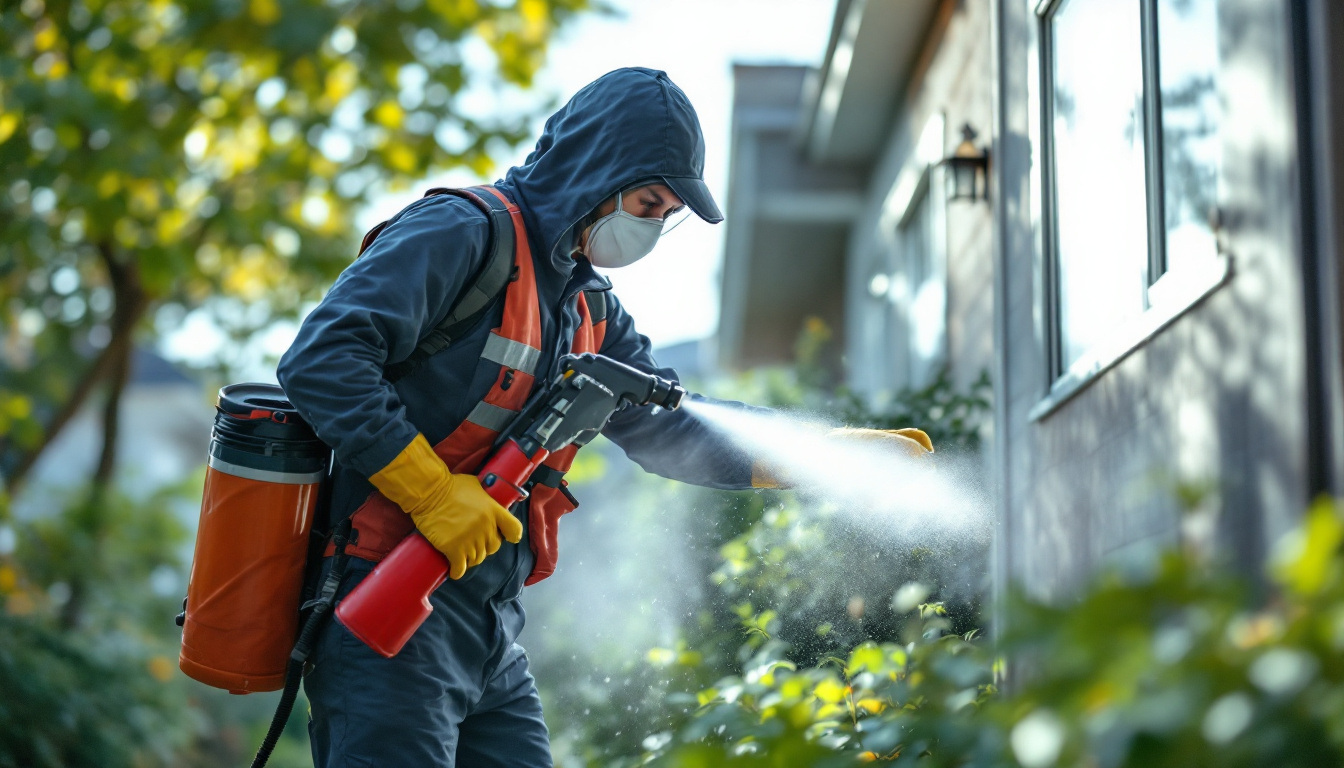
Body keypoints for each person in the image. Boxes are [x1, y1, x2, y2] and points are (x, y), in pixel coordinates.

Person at [277, 67, 930, 768]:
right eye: (648, 202)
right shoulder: (460, 234)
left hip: (487, 623)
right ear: (597, 172)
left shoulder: (589, 309)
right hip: (387, 606)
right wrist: (431, 493)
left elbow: (670, 426)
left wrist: (822, 456)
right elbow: (322, 358)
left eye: (665, 214)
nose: (652, 227)